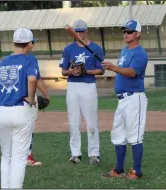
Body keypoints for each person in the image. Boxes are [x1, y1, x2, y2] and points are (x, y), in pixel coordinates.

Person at [102, 20, 148, 180]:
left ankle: (137, 171)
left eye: (129, 31)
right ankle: (119, 169)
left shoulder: (140, 53)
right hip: (122, 100)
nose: (125, 34)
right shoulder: (124, 50)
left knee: (135, 136)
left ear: (138, 34)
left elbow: (132, 72)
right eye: (124, 31)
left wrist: (112, 67)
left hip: (135, 98)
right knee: (118, 134)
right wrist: (112, 67)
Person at [0, 27, 37, 188]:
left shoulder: (2, 62)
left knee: (6, 156)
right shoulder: (28, 59)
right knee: (19, 158)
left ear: (14, 42)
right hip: (20, 109)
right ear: (30, 45)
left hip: (2, 111)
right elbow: (32, 79)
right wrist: (31, 99)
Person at [59, 19, 105, 164]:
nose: (79, 33)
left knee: (91, 121)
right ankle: (75, 153)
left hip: (89, 85)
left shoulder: (96, 48)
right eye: (77, 31)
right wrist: (71, 72)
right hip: (73, 86)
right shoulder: (68, 49)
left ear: (87, 31)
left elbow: (101, 70)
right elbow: (63, 71)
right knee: (74, 121)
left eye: (81, 31)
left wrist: (87, 71)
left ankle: (94, 153)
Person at [26, 39, 50, 166]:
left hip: (30, 96)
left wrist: (46, 94)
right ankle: (26, 156)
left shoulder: (32, 58)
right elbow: (33, 79)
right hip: (24, 98)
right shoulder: (26, 59)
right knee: (26, 127)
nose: (32, 45)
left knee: (29, 127)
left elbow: (37, 78)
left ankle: (27, 155)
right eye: (31, 42)